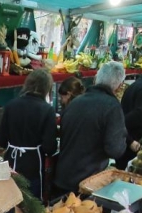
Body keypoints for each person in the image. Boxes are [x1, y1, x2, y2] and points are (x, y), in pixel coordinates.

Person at [52, 61, 130, 199]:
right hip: (87, 184)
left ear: (96, 79)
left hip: (62, 176)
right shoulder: (112, 107)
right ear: (119, 86)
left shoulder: (75, 102)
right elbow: (115, 150)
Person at [0, 68, 58, 199]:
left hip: (11, 162)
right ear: (47, 88)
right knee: (30, 208)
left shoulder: (11, 105)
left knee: (9, 202)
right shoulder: (47, 110)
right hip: (33, 165)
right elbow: (49, 147)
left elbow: (1, 139)